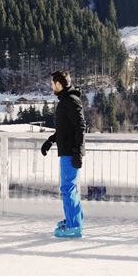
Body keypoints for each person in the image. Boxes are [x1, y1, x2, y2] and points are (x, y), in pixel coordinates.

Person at [40, 70, 85, 238]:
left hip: (70, 152)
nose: (51, 86)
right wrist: (51, 140)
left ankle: (74, 227)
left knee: (68, 188)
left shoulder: (71, 101)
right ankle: (74, 220)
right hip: (67, 150)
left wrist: (78, 153)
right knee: (69, 188)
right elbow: (65, 129)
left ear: (59, 84)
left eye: (52, 83)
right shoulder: (66, 100)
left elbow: (80, 127)